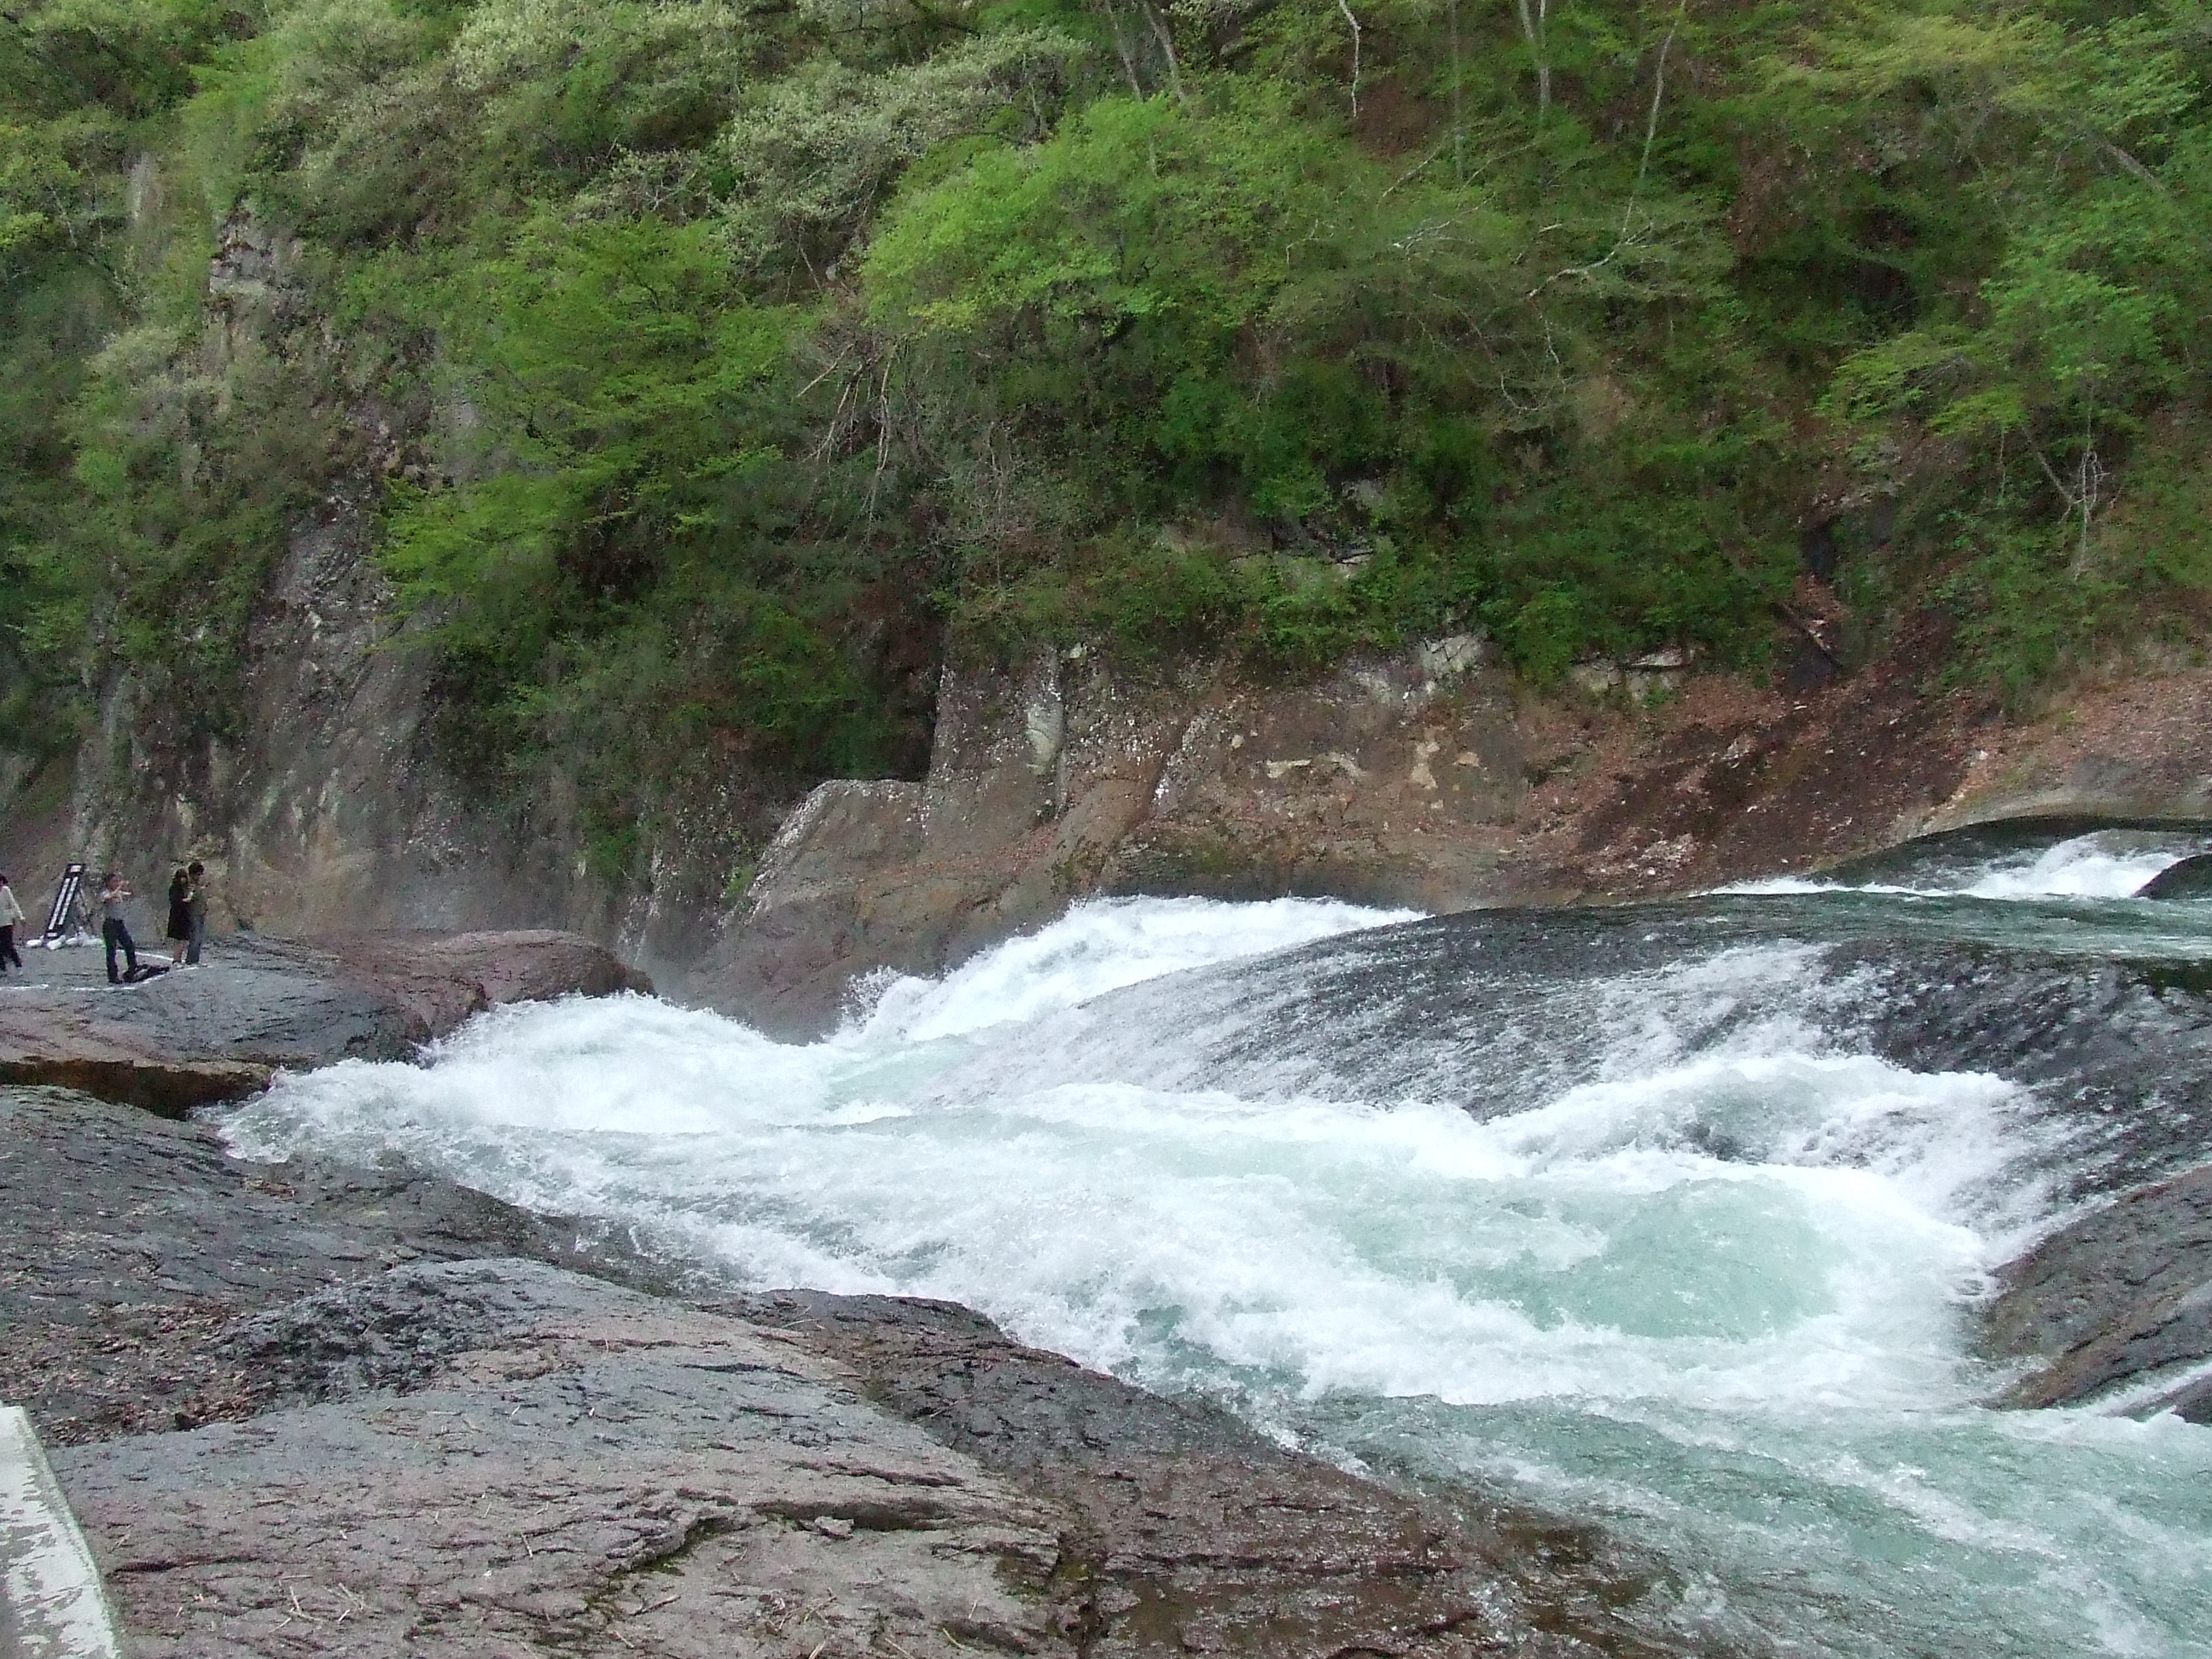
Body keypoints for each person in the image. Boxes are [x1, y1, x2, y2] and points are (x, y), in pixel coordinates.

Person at [99, 870, 138, 985]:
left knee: (129, 945)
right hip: (110, 924)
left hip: (119, 923)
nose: (116, 883)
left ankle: (132, 969)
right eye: (114, 881)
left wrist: (128, 887)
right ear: (108, 883)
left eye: (117, 881)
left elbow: (130, 894)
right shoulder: (105, 893)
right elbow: (109, 897)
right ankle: (113, 975)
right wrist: (119, 888)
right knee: (111, 949)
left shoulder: (120, 893)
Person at [165, 867, 191, 965]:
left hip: (183, 916)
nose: (183, 880)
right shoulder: (174, 888)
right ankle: (176, 959)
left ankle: (178, 958)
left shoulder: (182, 889)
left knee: (182, 940)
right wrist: (186, 900)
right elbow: (175, 901)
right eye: (181, 877)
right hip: (177, 916)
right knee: (179, 939)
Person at [184, 861, 207, 966]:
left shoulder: (197, 885)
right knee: (195, 937)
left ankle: (195, 960)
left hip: (200, 913)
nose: (200, 876)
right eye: (198, 874)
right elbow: (190, 898)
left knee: (199, 938)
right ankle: (191, 960)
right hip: (194, 914)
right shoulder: (190, 886)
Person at [0, 873, 22, 972]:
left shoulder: (5, 890)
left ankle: (18, 966)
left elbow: (13, 904)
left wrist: (20, 917)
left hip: (7, 922)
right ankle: (3, 969)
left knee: (8, 945)